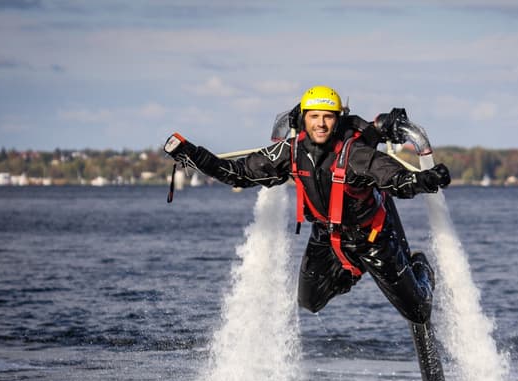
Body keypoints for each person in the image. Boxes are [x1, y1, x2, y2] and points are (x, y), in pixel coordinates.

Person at [163, 85, 450, 325]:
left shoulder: (358, 155)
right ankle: (353, 272)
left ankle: (420, 267)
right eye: (314, 117)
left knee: (419, 313)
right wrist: (192, 154)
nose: (321, 124)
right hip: (326, 238)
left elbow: (397, 180)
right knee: (309, 302)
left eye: (327, 117)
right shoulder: (289, 152)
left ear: (337, 120)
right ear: (303, 119)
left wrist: (426, 179)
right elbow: (238, 172)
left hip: (372, 239)